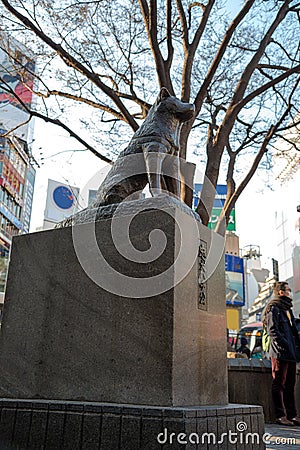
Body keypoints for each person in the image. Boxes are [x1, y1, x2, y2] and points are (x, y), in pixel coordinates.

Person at [263, 281, 300, 426]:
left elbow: (292, 331)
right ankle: (280, 415)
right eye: (288, 290)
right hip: (280, 353)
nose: (290, 292)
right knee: (279, 383)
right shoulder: (274, 308)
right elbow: (273, 331)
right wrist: (284, 345)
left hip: (291, 353)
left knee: (291, 384)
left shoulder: (287, 309)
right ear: (281, 292)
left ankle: (293, 415)